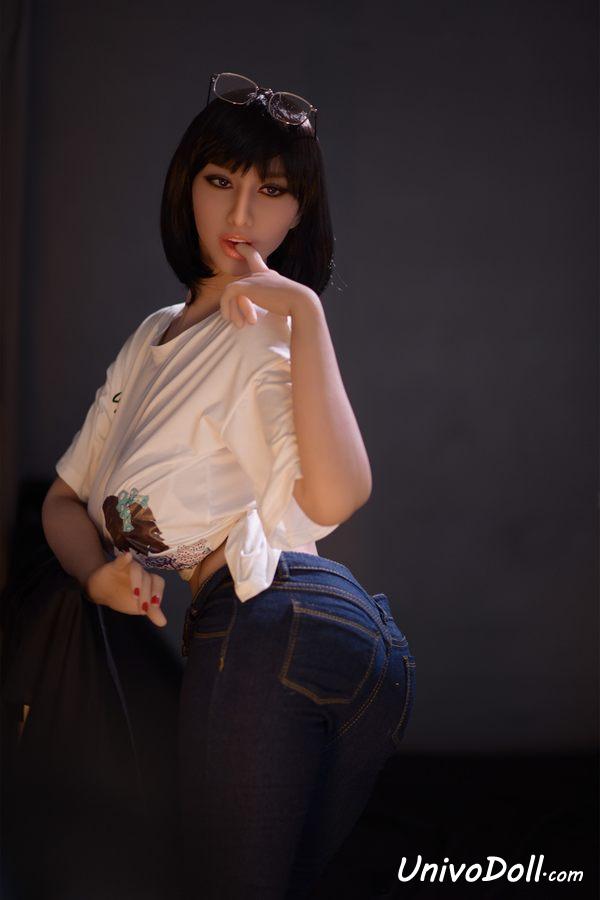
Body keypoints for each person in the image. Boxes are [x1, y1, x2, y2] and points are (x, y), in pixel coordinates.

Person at [41, 72, 416, 899]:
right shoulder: (153, 338)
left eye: (271, 191)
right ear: (189, 185)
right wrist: (98, 576)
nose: (241, 213)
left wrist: (305, 313)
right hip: (316, 635)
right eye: (221, 181)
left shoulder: (263, 335)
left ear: (297, 213)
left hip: (270, 623)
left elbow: (337, 497)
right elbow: (63, 500)